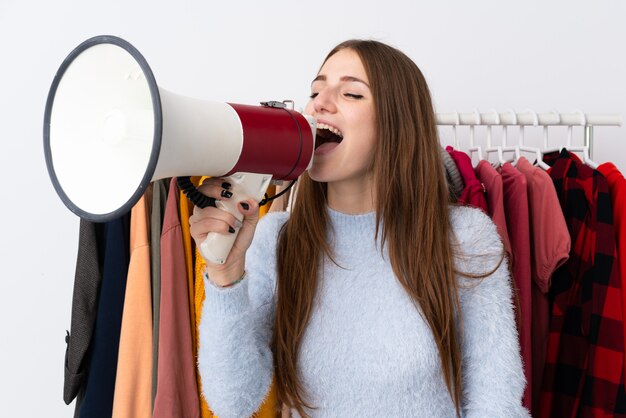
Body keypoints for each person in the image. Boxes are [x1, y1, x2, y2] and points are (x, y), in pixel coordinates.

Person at [189, 39, 529, 418]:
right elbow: (233, 401)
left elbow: (496, 401)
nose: (319, 103)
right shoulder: (278, 239)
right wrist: (224, 275)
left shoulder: (465, 238)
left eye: (351, 93)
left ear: (397, 123)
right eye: (315, 91)